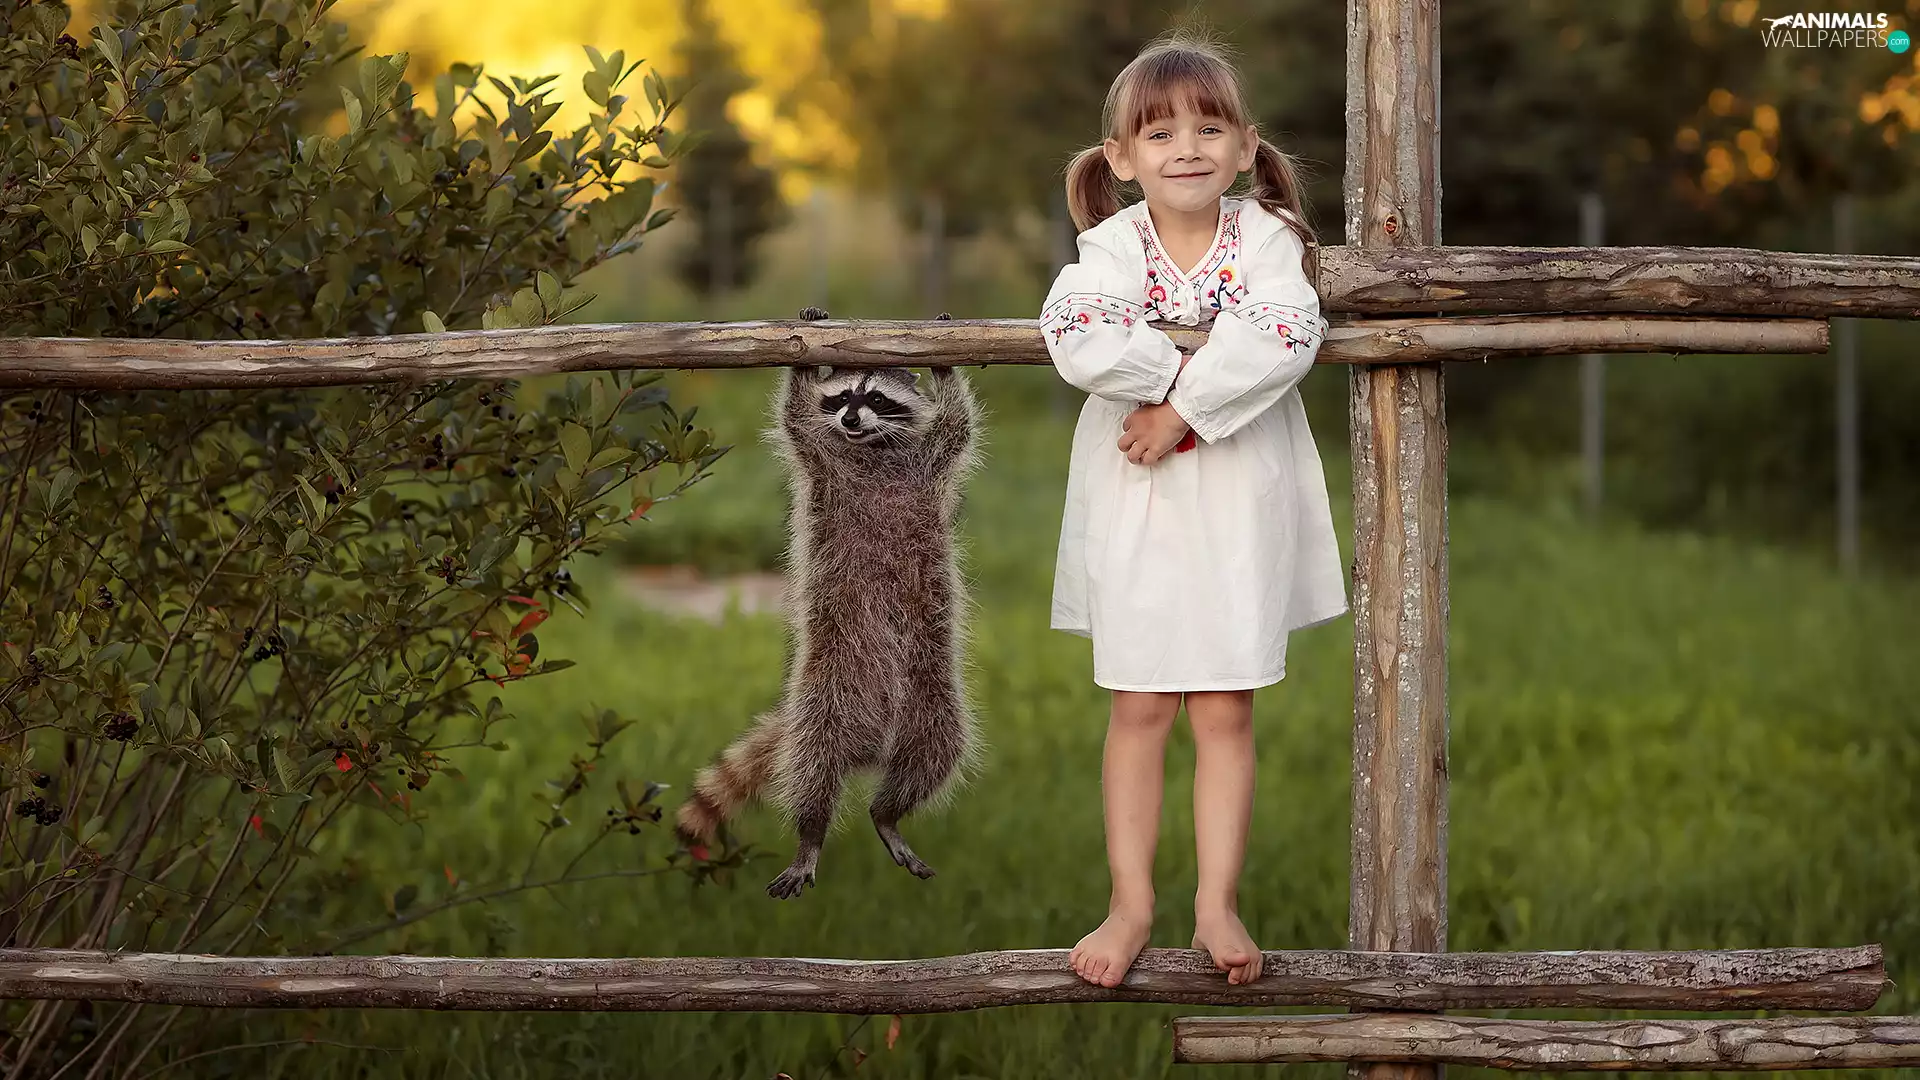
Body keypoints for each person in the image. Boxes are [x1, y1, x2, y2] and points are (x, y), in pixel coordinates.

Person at [1040, 31, 1349, 989]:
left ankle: (1216, 901)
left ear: (1246, 147)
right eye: (1161, 132)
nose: (1187, 148)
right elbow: (1077, 332)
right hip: (1138, 491)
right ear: (1122, 158)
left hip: (1236, 491)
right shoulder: (1110, 247)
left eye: (1210, 129)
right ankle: (1130, 902)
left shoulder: (1266, 240)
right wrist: (1165, 380)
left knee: (1222, 707)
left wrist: (1183, 409)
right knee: (1139, 705)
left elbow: (1285, 329)